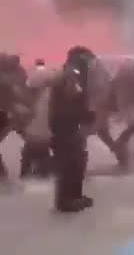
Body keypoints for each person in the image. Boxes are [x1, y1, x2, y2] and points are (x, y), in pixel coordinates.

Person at [48, 46, 96, 212]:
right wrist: (86, 115)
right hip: (65, 127)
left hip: (66, 126)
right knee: (70, 164)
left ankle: (75, 197)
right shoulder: (70, 76)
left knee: (76, 162)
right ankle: (66, 201)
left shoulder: (68, 74)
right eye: (87, 60)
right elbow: (70, 103)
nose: (89, 65)